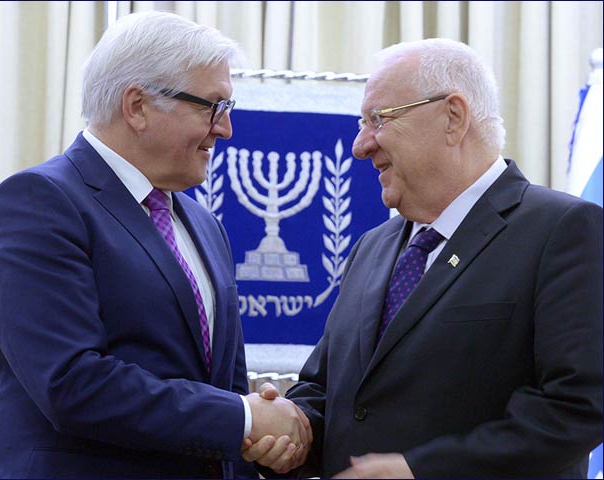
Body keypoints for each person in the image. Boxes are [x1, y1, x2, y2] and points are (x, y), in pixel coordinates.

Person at [0, 11, 311, 479]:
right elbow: (73, 383)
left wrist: (261, 440)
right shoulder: (39, 202)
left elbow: (220, 385)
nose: (225, 129)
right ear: (138, 106)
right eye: (212, 106)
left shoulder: (203, 223)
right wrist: (246, 419)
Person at [243, 38, 603, 478]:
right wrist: (290, 432)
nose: (360, 145)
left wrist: (422, 471)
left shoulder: (562, 230)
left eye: (378, 119)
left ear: (453, 118)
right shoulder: (372, 247)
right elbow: (332, 391)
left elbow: (578, 407)